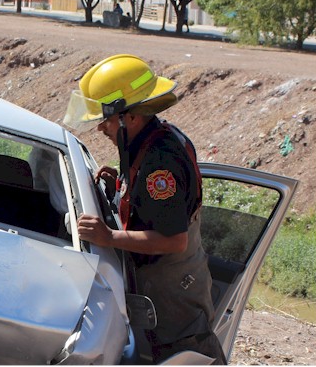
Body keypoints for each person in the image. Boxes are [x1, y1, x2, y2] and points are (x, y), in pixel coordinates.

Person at [64, 54, 226, 365]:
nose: (101, 128)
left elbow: (173, 239)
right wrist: (121, 185)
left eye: (107, 119)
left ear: (131, 117)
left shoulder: (160, 162)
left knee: (185, 358)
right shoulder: (145, 142)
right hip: (161, 287)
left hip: (174, 298)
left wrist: (108, 237)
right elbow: (149, 206)